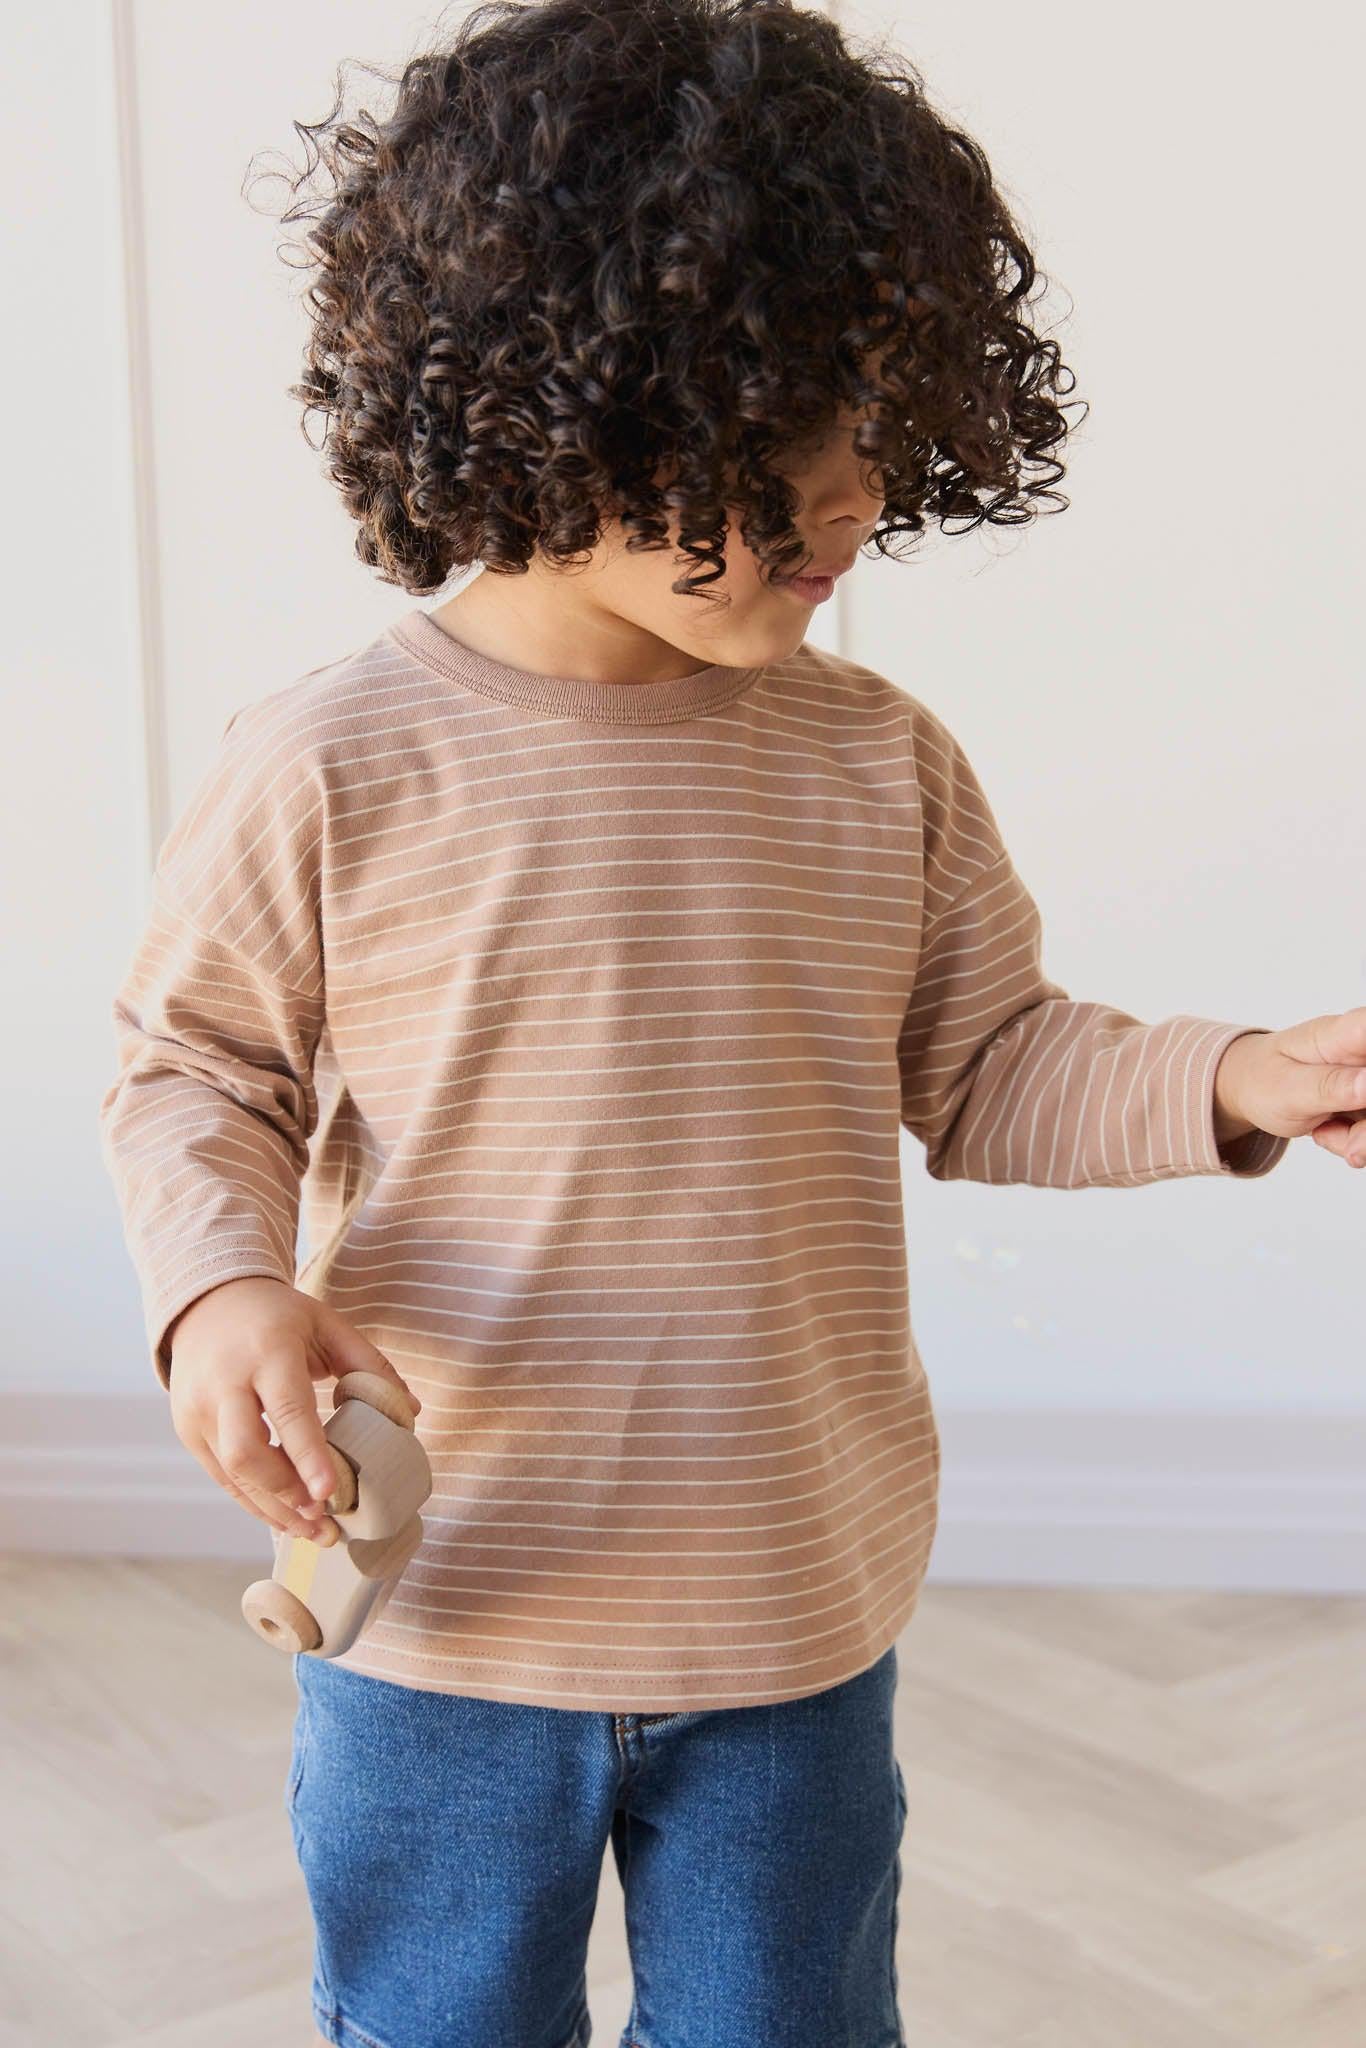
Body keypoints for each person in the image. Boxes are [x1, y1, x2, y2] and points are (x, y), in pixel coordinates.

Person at [97, 4, 1364, 2043]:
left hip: (786, 1608)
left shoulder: (874, 762)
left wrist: (1231, 1077)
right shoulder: (327, 764)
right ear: (543, 402)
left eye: (868, 418)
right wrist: (221, 1292)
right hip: (440, 1608)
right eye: (774, 432)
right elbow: (196, 1074)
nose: (848, 494)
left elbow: (986, 1062)